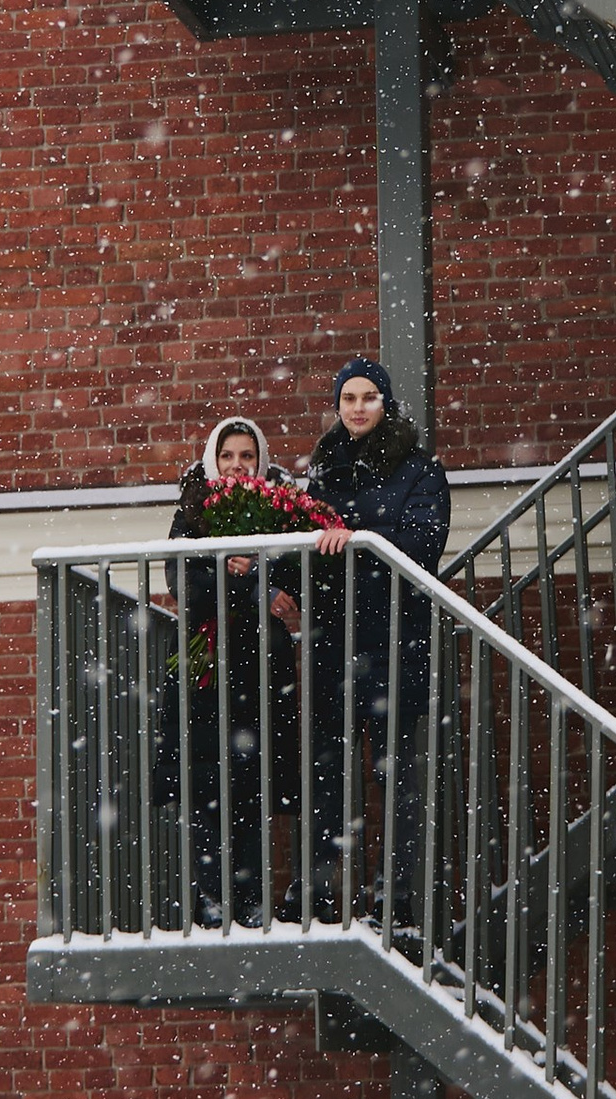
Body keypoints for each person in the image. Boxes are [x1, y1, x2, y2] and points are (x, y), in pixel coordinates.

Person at [292, 356, 451, 931]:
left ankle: (396, 896)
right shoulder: (324, 470)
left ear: (385, 404)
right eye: (348, 398)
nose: (357, 408)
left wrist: (355, 537)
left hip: (395, 639)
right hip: (334, 639)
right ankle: (321, 891)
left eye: (368, 397)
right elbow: (305, 544)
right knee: (327, 774)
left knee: (396, 775)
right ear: (337, 405)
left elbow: (424, 542)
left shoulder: (418, 468)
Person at [152, 414, 309, 926]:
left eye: (246, 456)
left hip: (260, 664)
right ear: (212, 461)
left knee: (254, 782)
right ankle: (210, 896)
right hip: (206, 664)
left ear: (260, 461)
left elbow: (296, 581)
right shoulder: (193, 508)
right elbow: (187, 585)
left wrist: (256, 572)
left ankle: (251, 895)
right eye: (227, 456)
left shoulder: (282, 510)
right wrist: (246, 580)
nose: (237, 465)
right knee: (205, 782)